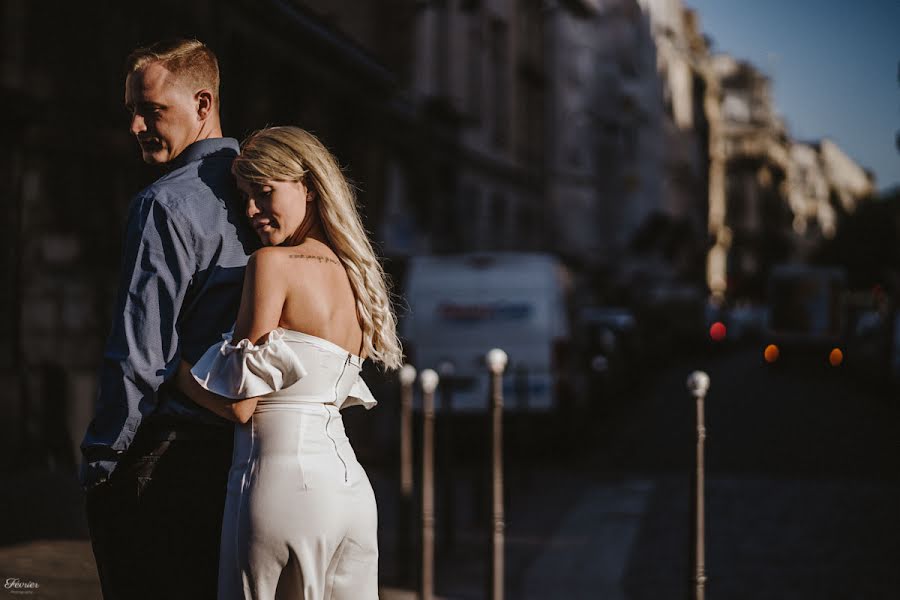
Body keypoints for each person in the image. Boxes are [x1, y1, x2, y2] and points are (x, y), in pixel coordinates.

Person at [173, 126, 403, 600]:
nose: (252, 210)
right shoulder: (360, 277)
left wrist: (177, 373)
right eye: (245, 196)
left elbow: (240, 404)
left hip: (279, 488)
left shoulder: (272, 265)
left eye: (264, 192)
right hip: (352, 495)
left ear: (309, 188)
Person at [80, 39, 257, 599]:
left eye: (152, 109)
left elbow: (139, 349)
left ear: (203, 104)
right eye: (131, 109)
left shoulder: (166, 203)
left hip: (164, 459)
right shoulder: (269, 196)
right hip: (246, 458)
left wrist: (104, 460)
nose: (135, 125)